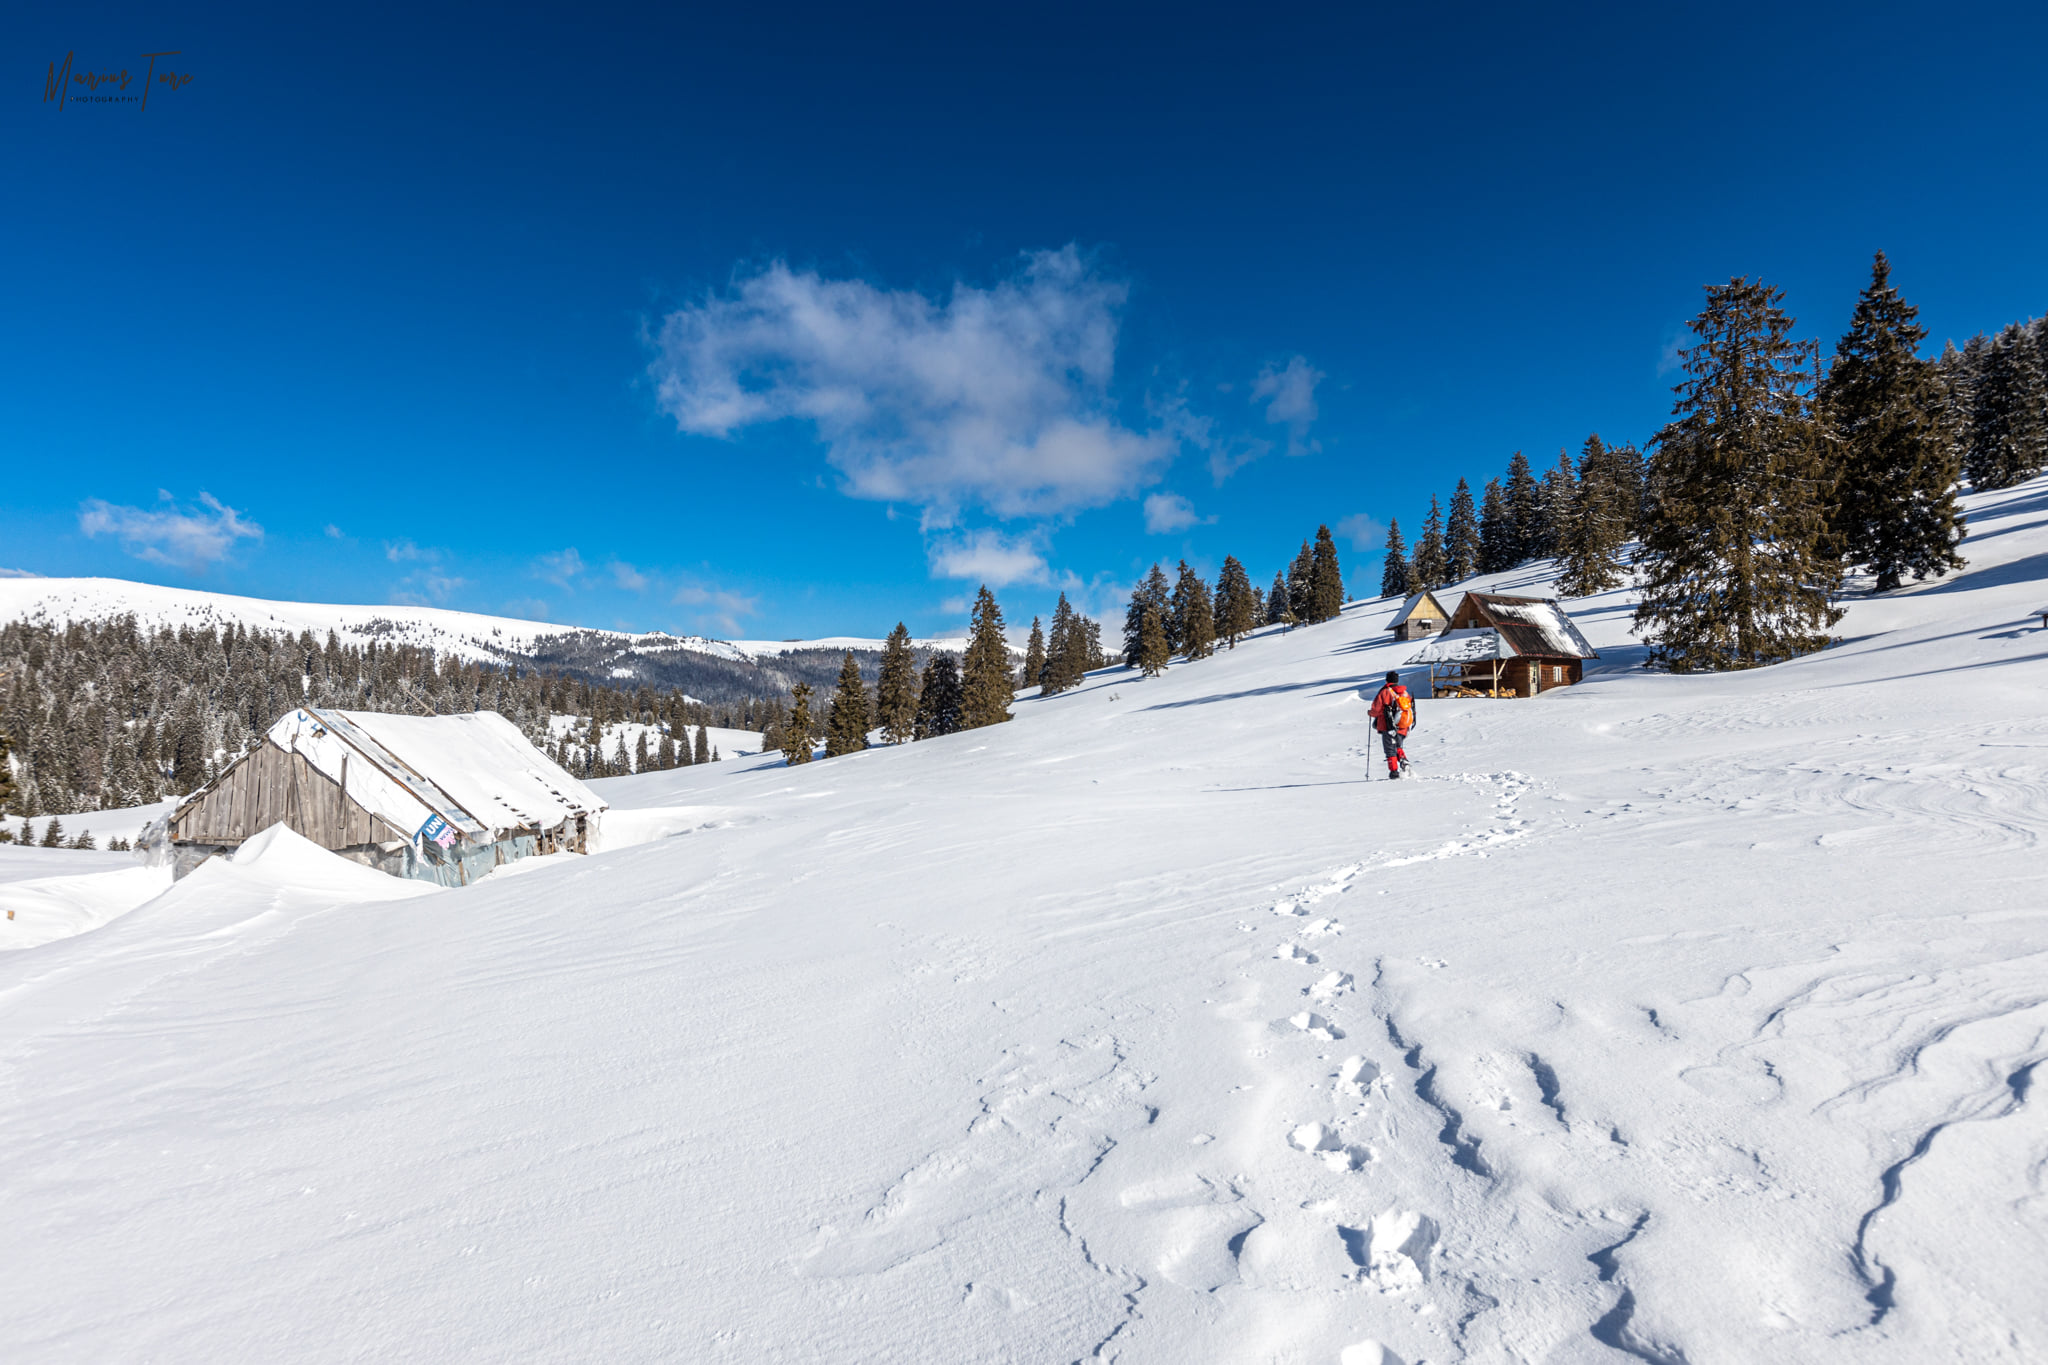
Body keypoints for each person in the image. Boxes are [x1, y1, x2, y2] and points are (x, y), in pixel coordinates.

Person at [1368, 669, 1414, 779]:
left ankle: (1394, 772)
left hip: (1388, 726)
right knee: (1397, 746)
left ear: (1387, 680)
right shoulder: (1404, 693)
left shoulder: (1385, 692)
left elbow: (1376, 709)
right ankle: (1404, 761)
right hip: (1403, 727)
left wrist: (1370, 713)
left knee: (1390, 749)